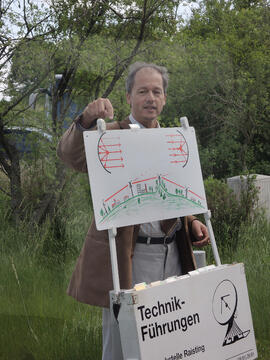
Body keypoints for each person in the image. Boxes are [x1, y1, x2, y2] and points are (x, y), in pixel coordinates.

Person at [57, 62, 210, 360]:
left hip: (173, 257)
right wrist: (86, 118)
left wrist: (190, 221)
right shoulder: (108, 135)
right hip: (128, 258)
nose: (150, 98)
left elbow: (171, 193)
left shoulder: (174, 140)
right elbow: (69, 155)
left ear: (164, 98)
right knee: (122, 344)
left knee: (171, 341)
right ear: (128, 97)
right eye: (143, 91)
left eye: (156, 91)